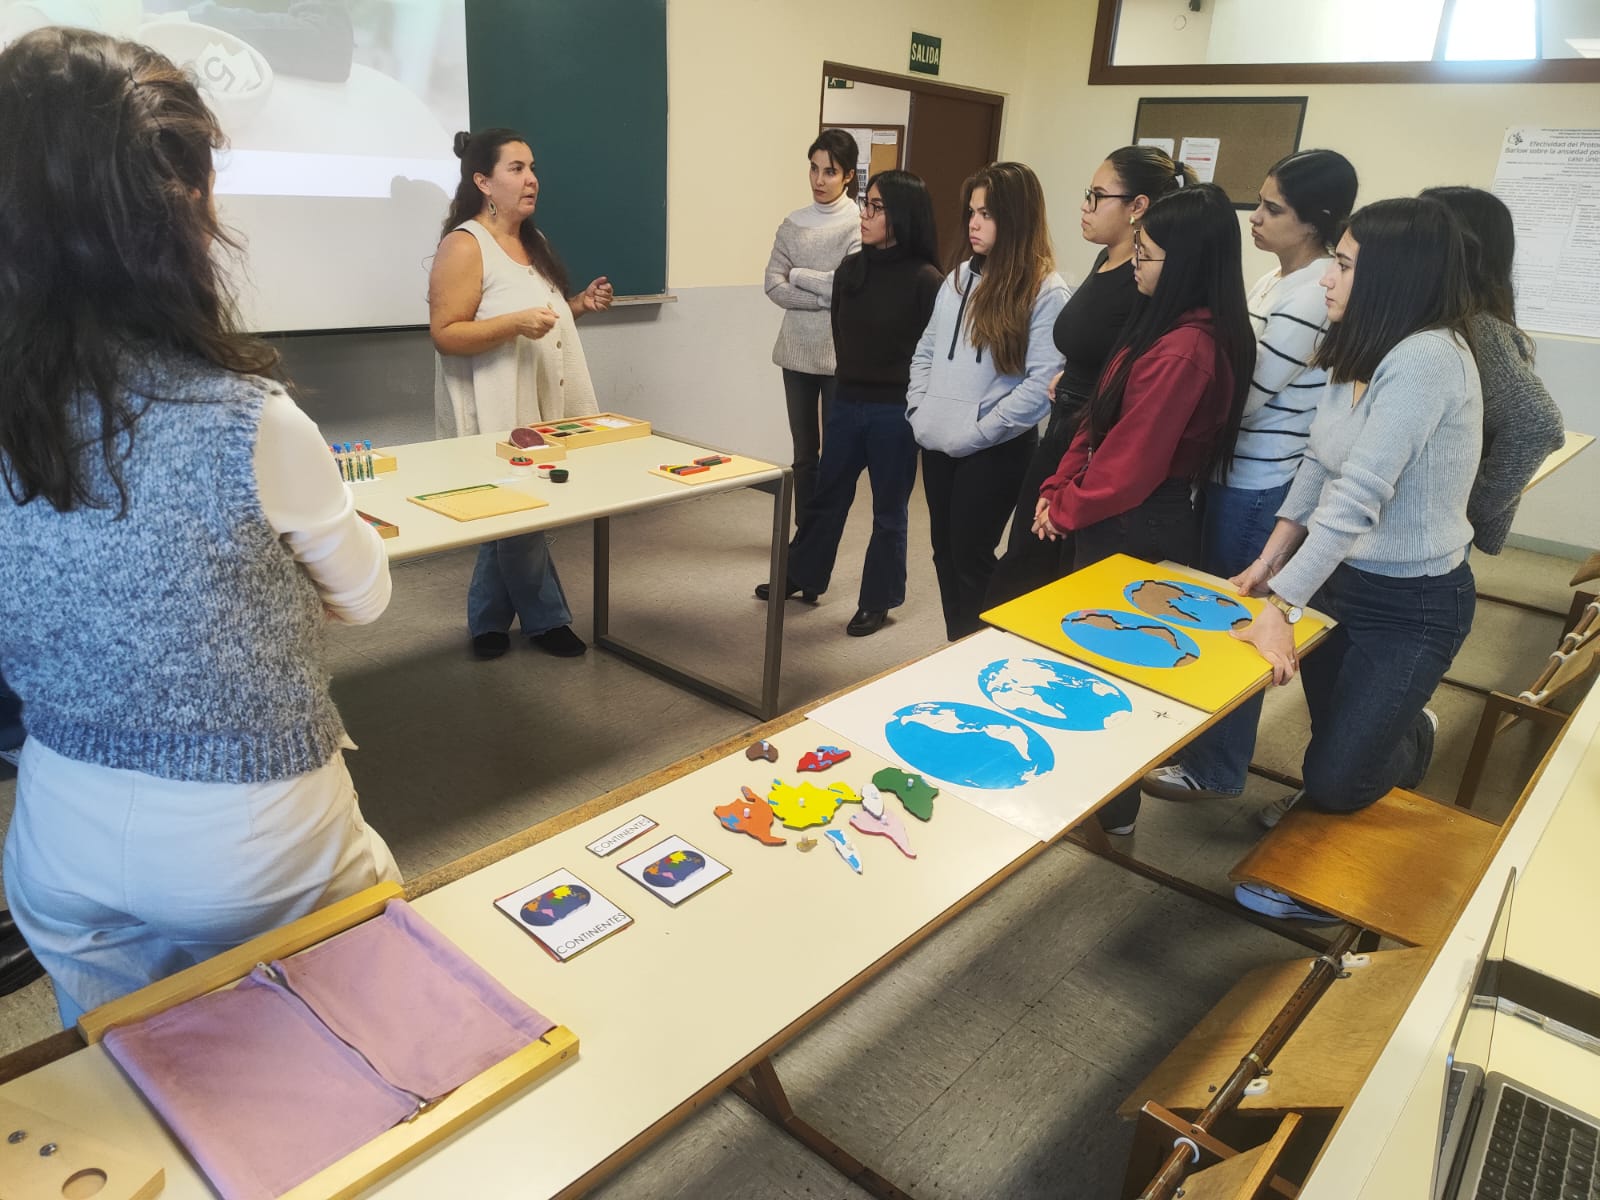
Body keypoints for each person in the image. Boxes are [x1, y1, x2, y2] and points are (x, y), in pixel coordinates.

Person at [0, 27, 400, 1024]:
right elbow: (365, 596)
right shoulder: (246, 421)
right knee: (345, 1040)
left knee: (129, 1078)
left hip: (55, 833)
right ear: (177, 214)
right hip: (255, 845)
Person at [1227, 197, 1482, 921]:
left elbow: (1359, 496)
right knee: (1333, 747)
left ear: (1392, 278)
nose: (1327, 278)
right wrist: (1270, 562)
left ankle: (1408, 739)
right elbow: (1319, 465)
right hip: (1343, 582)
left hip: (1414, 603)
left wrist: (1283, 609)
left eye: (1343, 265)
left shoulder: (1428, 358)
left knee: (1337, 778)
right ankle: (1372, 750)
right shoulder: (1359, 347)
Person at [1034, 182, 1254, 835]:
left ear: (1185, 264)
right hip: (1111, 505)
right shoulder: (1158, 322)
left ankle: (1114, 809)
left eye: (1147, 255)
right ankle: (1097, 793)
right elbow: (1099, 417)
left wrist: (1068, 507)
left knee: (1116, 662)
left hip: (1141, 517)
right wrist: (1057, 488)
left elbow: (1133, 461)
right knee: (1085, 646)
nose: (1135, 264)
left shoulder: (1189, 347)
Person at [1143, 150, 1358, 806]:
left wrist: (1169, 407)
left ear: (1315, 220)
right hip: (1233, 471)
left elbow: (1246, 394)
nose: (1255, 218)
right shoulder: (1276, 279)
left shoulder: (1312, 291)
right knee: (1213, 612)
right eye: (1258, 202)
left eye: (1272, 208)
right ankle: (1203, 745)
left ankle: (1216, 767)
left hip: (1259, 483)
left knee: (1235, 624)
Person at [429, 128, 615, 660]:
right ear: (483, 182)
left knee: (518, 512)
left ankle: (489, 622)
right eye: (516, 168)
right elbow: (446, 334)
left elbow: (540, 318)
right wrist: (514, 324)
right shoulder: (464, 245)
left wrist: (576, 306)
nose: (531, 179)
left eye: (532, 167)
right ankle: (545, 619)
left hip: (537, 405)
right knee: (518, 510)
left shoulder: (534, 242)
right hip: (493, 407)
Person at [987, 146, 1196, 608]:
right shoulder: (1106, 260)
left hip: (1093, 436)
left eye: (1097, 196)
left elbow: (1132, 371)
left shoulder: (1143, 282)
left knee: (1051, 575)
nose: (1085, 206)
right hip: (1065, 425)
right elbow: (1098, 341)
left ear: (1137, 206)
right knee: (1022, 562)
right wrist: (1070, 372)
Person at [755, 171, 945, 636]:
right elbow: (842, 334)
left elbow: (931, 354)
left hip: (895, 413)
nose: (865, 214)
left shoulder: (927, 281)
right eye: (866, 203)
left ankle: (878, 600)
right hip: (847, 402)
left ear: (902, 215)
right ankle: (804, 574)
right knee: (827, 496)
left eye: (876, 207)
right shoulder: (851, 270)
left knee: (888, 511)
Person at [908, 161, 1070, 642]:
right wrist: (919, 409)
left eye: (988, 214)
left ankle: (982, 651)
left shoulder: (1046, 289)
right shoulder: (957, 278)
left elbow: (1041, 385)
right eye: (972, 212)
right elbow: (926, 351)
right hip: (938, 437)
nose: (974, 224)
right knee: (944, 552)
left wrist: (979, 430)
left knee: (972, 556)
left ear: (1016, 218)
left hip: (995, 449)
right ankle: (957, 644)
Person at [1421, 185, 1565, 555]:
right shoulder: (1452, 318)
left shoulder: (1476, 326)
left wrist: (1465, 510)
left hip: (1429, 537)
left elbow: (1537, 422)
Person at [764, 128, 862, 528]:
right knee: (804, 453)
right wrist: (823, 296)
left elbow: (848, 286)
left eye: (830, 172)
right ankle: (805, 534)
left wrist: (798, 274)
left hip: (839, 355)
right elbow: (773, 285)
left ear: (849, 175)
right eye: (814, 169)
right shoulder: (793, 224)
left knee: (837, 452)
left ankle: (825, 532)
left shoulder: (859, 224)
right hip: (795, 353)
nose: (819, 180)